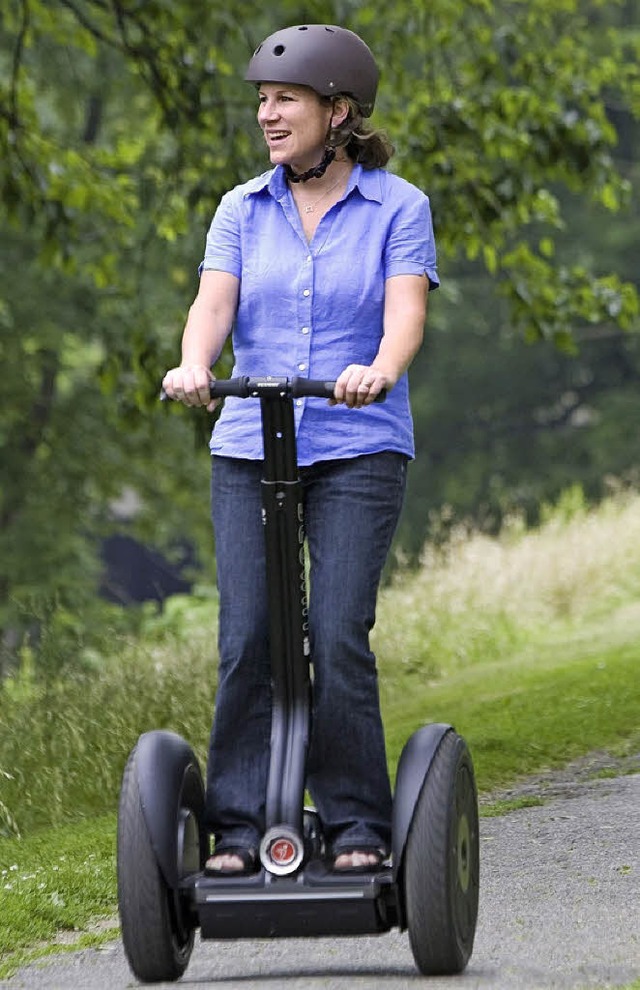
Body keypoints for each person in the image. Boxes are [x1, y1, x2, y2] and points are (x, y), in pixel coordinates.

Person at [162, 23, 439, 875]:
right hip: (250, 445)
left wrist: (379, 370)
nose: (269, 116)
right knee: (250, 635)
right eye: (262, 102)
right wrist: (193, 364)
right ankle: (238, 829)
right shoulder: (240, 209)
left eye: (285, 100)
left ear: (338, 111)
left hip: (359, 446)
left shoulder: (398, 205)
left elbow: (405, 316)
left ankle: (357, 822)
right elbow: (213, 307)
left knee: (337, 631)